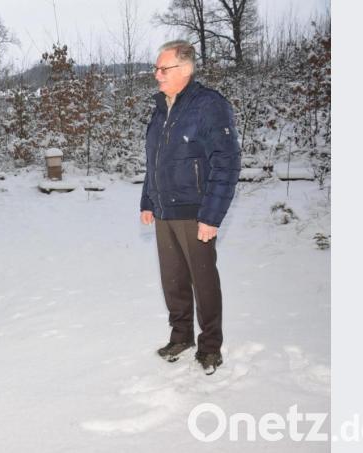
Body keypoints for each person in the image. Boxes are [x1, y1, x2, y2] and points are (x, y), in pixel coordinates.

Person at [139, 41, 241, 375]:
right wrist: (147, 200)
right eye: (156, 68)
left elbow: (226, 163)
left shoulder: (208, 105)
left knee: (203, 280)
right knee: (173, 280)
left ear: (185, 69)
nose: (157, 75)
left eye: (163, 69)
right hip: (164, 210)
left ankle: (210, 345)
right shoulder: (160, 108)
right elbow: (154, 161)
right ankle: (180, 335)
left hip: (195, 212)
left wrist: (211, 217)